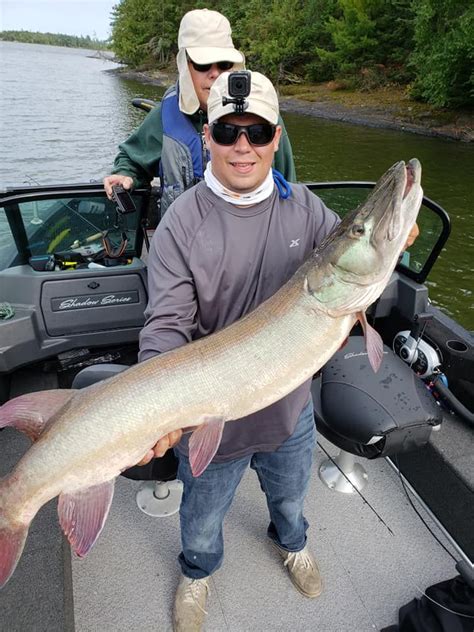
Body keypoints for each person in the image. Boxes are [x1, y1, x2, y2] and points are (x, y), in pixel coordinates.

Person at [138, 69, 341, 632]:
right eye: (227, 132)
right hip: (213, 421)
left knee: (292, 499)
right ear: (207, 138)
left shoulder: (308, 209)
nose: (242, 146)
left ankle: (293, 543)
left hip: (289, 409)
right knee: (201, 518)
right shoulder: (182, 221)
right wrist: (157, 405)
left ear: (278, 137)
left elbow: (346, 278)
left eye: (256, 132)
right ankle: (197, 573)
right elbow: (166, 325)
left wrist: (388, 244)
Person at [103, 8, 296, 215]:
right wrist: (125, 175)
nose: (214, 73)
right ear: (185, 66)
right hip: (182, 239)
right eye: (203, 64)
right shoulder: (164, 118)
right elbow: (132, 159)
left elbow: (289, 186)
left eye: (224, 64)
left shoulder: (266, 116)